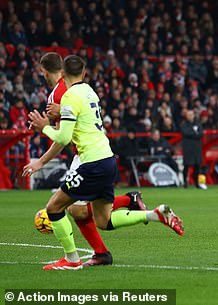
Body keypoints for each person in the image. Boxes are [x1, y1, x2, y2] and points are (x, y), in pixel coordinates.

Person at [26, 55, 184, 270]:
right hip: (106, 158)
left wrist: (44, 127)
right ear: (83, 74)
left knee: (55, 208)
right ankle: (154, 215)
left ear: (61, 73)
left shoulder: (67, 96)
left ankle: (72, 260)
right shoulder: (90, 91)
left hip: (89, 161)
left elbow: (63, 137)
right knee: (103, 220)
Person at [180, 110, 206, 189]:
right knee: (186, 166)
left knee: (197, 166)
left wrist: (194, 134)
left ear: (194, 115)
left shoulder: (198, 124)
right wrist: (195, 133)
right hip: (188, 148)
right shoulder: (184, 124)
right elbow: (186, 133)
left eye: (191, 114)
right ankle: (185, 183)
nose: (190, 116)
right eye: (188, 115)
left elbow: (201, 133)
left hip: (197, 148)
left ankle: (196, 183)